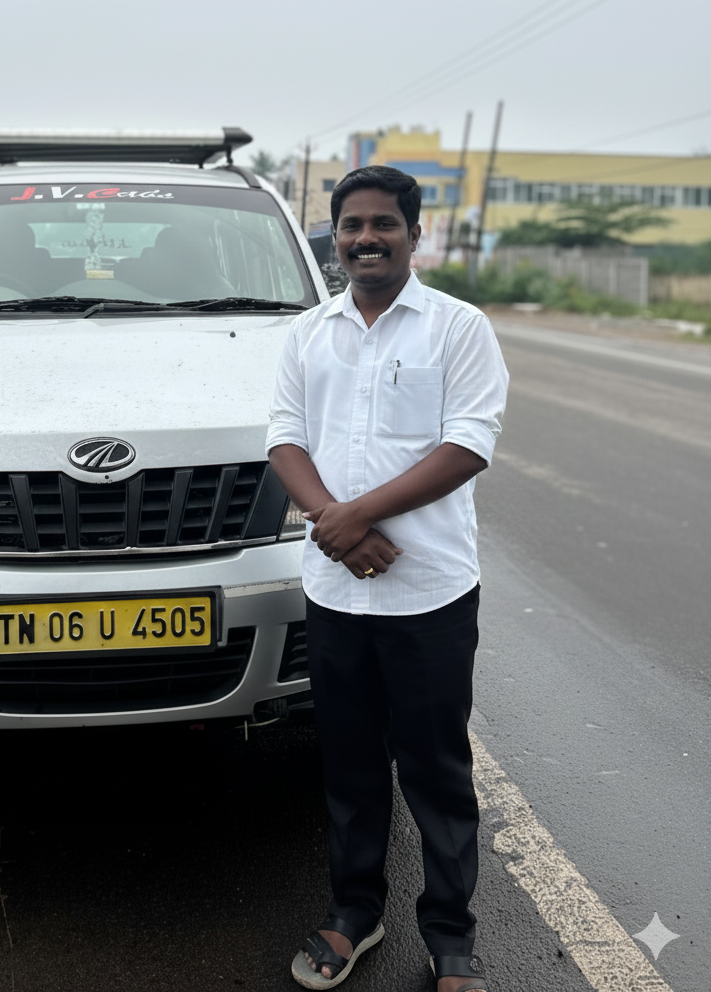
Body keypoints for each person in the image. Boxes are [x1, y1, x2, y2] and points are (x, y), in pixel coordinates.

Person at [266, 165, 508, 991]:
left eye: (383, 224)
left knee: (437, 771)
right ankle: (354, 914)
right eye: (352, 225)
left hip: (430, 592)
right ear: (335, 237)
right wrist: (334, 525)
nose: (366, 238)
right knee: (350, 765)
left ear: (414, 234)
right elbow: (284, 437)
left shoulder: (458, 327)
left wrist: (351, 517)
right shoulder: (307, 334)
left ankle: (450, 938)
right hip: (336, 593)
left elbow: (467, 444)